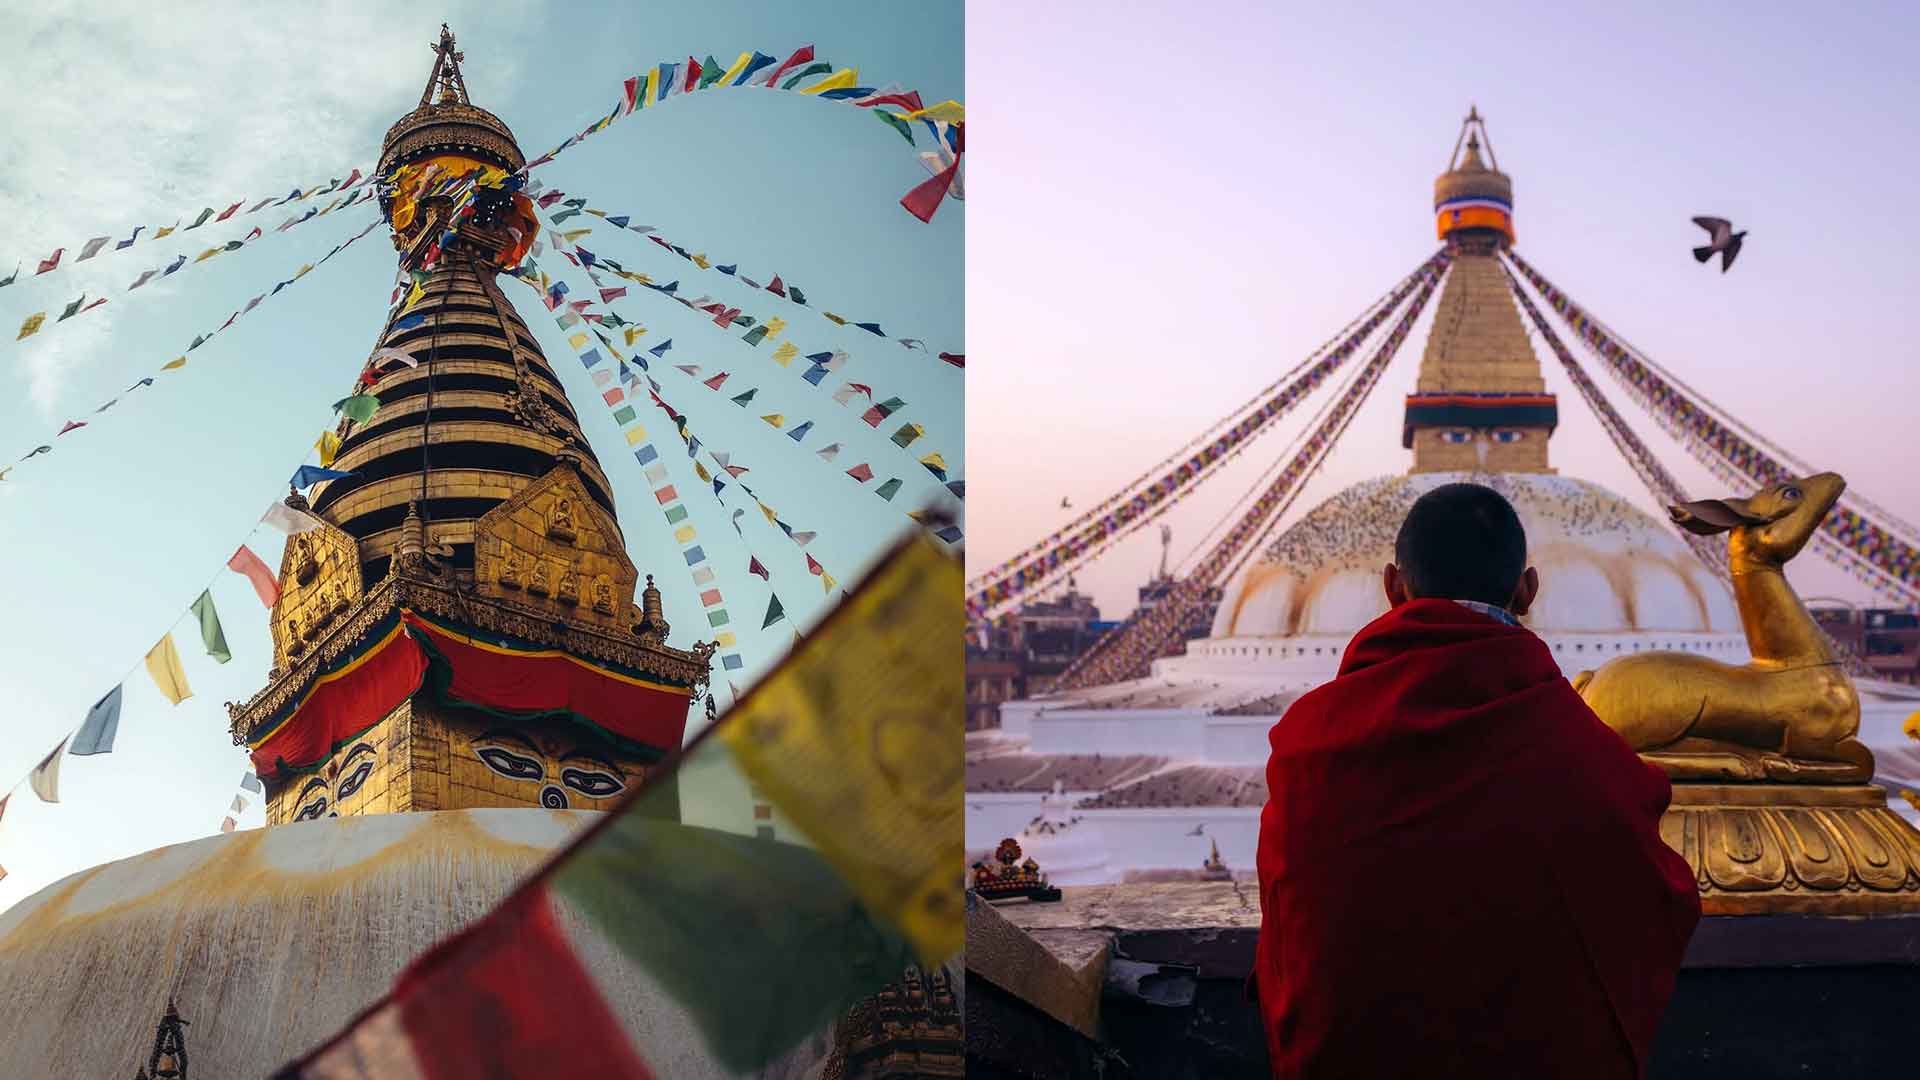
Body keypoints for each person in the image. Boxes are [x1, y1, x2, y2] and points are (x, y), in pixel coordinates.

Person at [1253, 482, 1699, 1078]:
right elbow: (1654, 902)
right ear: (1527, 590)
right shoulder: (1582, 746)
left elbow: (1288, 929)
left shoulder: (1309, 737)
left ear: (1392, 587)